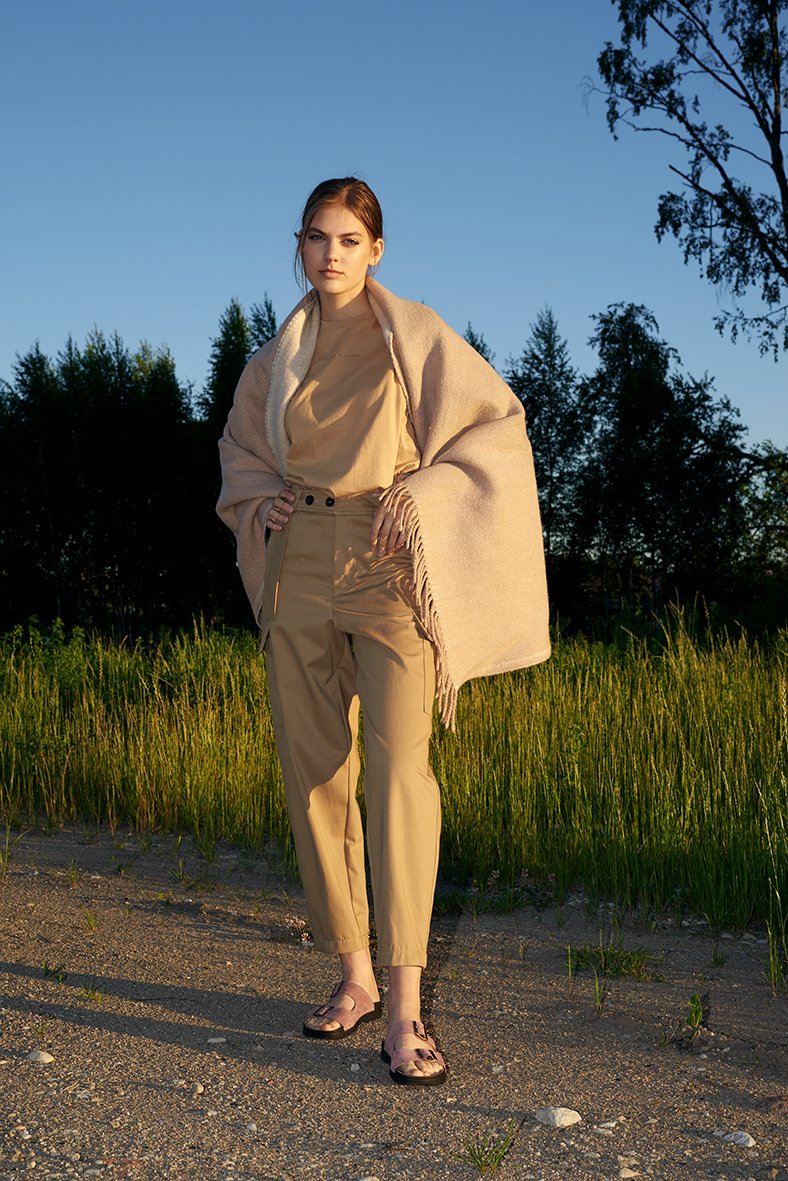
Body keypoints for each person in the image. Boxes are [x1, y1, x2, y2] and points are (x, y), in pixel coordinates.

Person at [217, 177, 550, 1086]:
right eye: (316, 237)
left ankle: (406, 1009)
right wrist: (262, 498)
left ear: (376, 250)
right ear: (299, 245)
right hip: (300, 561)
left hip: (390, 559)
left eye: (348, 240)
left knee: (402, 771)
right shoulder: (274, 358)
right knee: (315, 771)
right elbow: (240, 450)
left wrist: (427, 490)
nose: (331, 254)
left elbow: (495, 425)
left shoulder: (416, 337)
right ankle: (355, 974)